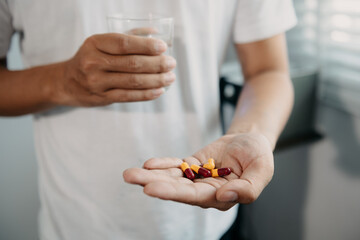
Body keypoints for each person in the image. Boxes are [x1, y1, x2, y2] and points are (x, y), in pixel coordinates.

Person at [0, 0, 297, 239]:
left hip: (208, 222)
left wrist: (248, 134)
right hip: (76, 223)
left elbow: (268, 70)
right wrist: (63, 82)